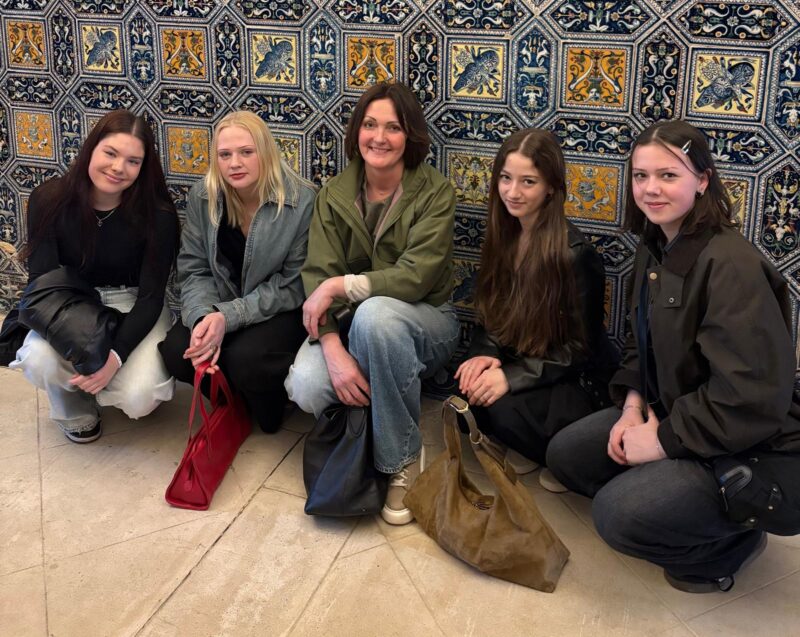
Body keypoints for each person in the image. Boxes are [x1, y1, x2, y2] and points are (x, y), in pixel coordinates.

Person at [546, 120, 800, 592]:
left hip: (748, 444)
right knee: (567, 456)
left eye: (668, 175)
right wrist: (632, 408)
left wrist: (663, 440)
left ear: (702, 180)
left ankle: (734, 545)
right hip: (675, 410)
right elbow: (639, 343)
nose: (651, 189)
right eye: (641, 176)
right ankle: (673, 496)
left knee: (616, 515)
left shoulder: (731, 266)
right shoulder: (657, 248)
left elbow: (749, 395)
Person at [285, 82, 460, 525]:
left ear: (410, 136)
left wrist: (341, 284)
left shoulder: (436, 192)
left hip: (428, 322)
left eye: (393, 128)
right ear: (356, 131)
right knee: (307, 385)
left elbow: (416, 278)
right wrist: (332, 349)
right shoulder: (334, 195)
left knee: (376, 315)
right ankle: (369, 419)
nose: (379, 137)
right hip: (350, 325)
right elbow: (317, 275)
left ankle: (402, 455)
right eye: (369, 125)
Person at [454, 128, 618, 477]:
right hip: (525, 357)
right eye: (506, 178)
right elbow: (493, 313)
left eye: (528, 182)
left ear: (551, 188)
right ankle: (528, 440)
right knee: (468, 394)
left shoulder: (575, 255)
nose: (513, 192)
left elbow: (579, 349)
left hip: (571, 377)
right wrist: (485, 355)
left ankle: (559, 455)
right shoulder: (506, 234)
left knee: (501, 406)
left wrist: (512, 378)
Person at [11, 110, 178, 443]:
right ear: (91, 149)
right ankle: (75, 407)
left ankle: (109, 382)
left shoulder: (158, 214)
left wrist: (114, 358)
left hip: (133, 302)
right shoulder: (49, 199)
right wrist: (84, 344)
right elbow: (44, 282)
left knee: (139, 396)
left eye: (133, 161)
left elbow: (150, 298)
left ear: (143, 168)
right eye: (110, 153)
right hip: (69, 301)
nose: (118, 168)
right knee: (39, 359)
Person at [159, 111, 315, 433]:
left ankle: (269, 403)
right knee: (177, 351)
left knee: (248, 359)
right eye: (225, 154)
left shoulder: (300, 200)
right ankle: (232, 402)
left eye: (246, 152)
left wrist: (227, 317)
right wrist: (203, 318)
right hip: (220, 303)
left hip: (278, 309)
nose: (234, 163)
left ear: (266, 152)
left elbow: (293, 284)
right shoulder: (204, 196)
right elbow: (194, 268)